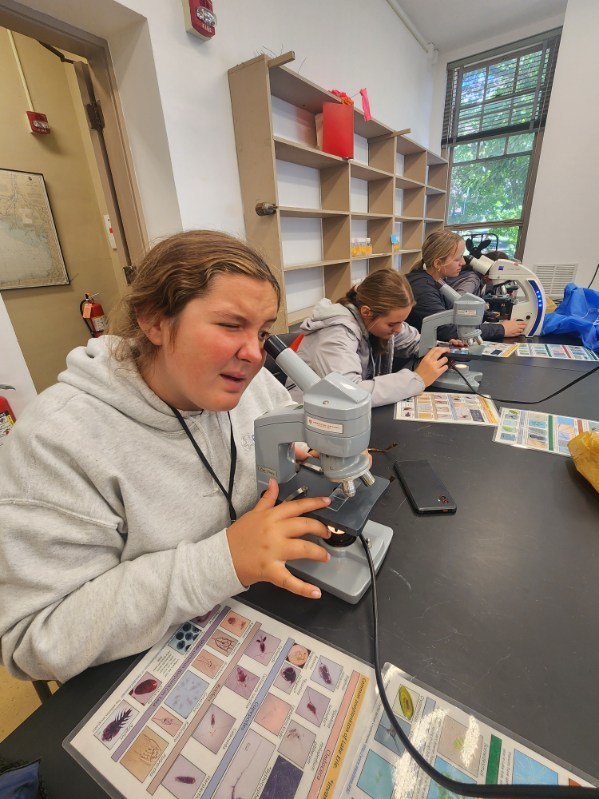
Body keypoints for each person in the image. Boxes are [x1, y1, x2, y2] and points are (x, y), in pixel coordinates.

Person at [0, 230, 333, 683]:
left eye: (263, 330)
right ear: (154, 322)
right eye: (231, 325)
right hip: (145, 669)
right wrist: (222, 562)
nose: (254, 354)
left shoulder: (245, 382)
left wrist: (310, 443)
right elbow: (33, 641)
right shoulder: (57, 441)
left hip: (241, 612)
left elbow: (280, 421)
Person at [288, 270, 462, 407]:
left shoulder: (375, 321)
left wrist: (443, 348)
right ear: (366, 312)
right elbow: (349, 393)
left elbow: (414, 342)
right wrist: (417, 379)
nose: (399, 329)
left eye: (402, 321)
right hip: (309, 420)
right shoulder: (336, 333)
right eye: (393, 324)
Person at [406, 230, 527, 341]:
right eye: (457, 259)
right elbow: (445, 330)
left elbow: (455, 312)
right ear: (438, 263)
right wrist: (501, 329)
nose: (463, 263)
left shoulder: (437, 280)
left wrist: (487, 316)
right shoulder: (422, 288)